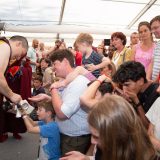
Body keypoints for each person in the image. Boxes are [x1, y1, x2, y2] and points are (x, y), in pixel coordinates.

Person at [30, 49, 91, 156]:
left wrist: (53, 88)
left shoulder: (78, 82)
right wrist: (47, 97)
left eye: (55, 64)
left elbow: (62, 113)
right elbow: (64, 101)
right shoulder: (67, 80)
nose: (53, 67)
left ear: (65, 62)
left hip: (74, 139)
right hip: (68, 136)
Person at [60, 95, 156, 160]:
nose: (92, 142)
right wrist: (86, 158)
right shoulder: (107, 146)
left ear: (118, 135)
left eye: (96, 137)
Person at [112, 61, 159, 129]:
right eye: (122, 85)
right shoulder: (135, 91)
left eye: (127, 85)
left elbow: (148, 128)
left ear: (141, 81)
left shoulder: (156, 94)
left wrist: (136, 101)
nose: (124, 89)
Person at [0, 35, 28, 142]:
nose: (17, 58)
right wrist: (11, 95)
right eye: (20, 53)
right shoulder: (5, 47)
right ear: (18, 44)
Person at [150, 15, 160, 92]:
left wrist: (156, 80)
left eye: (156, 28)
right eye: (152, 29)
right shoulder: (158, 44)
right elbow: (152, 62)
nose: (153, 31)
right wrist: (148, 79)